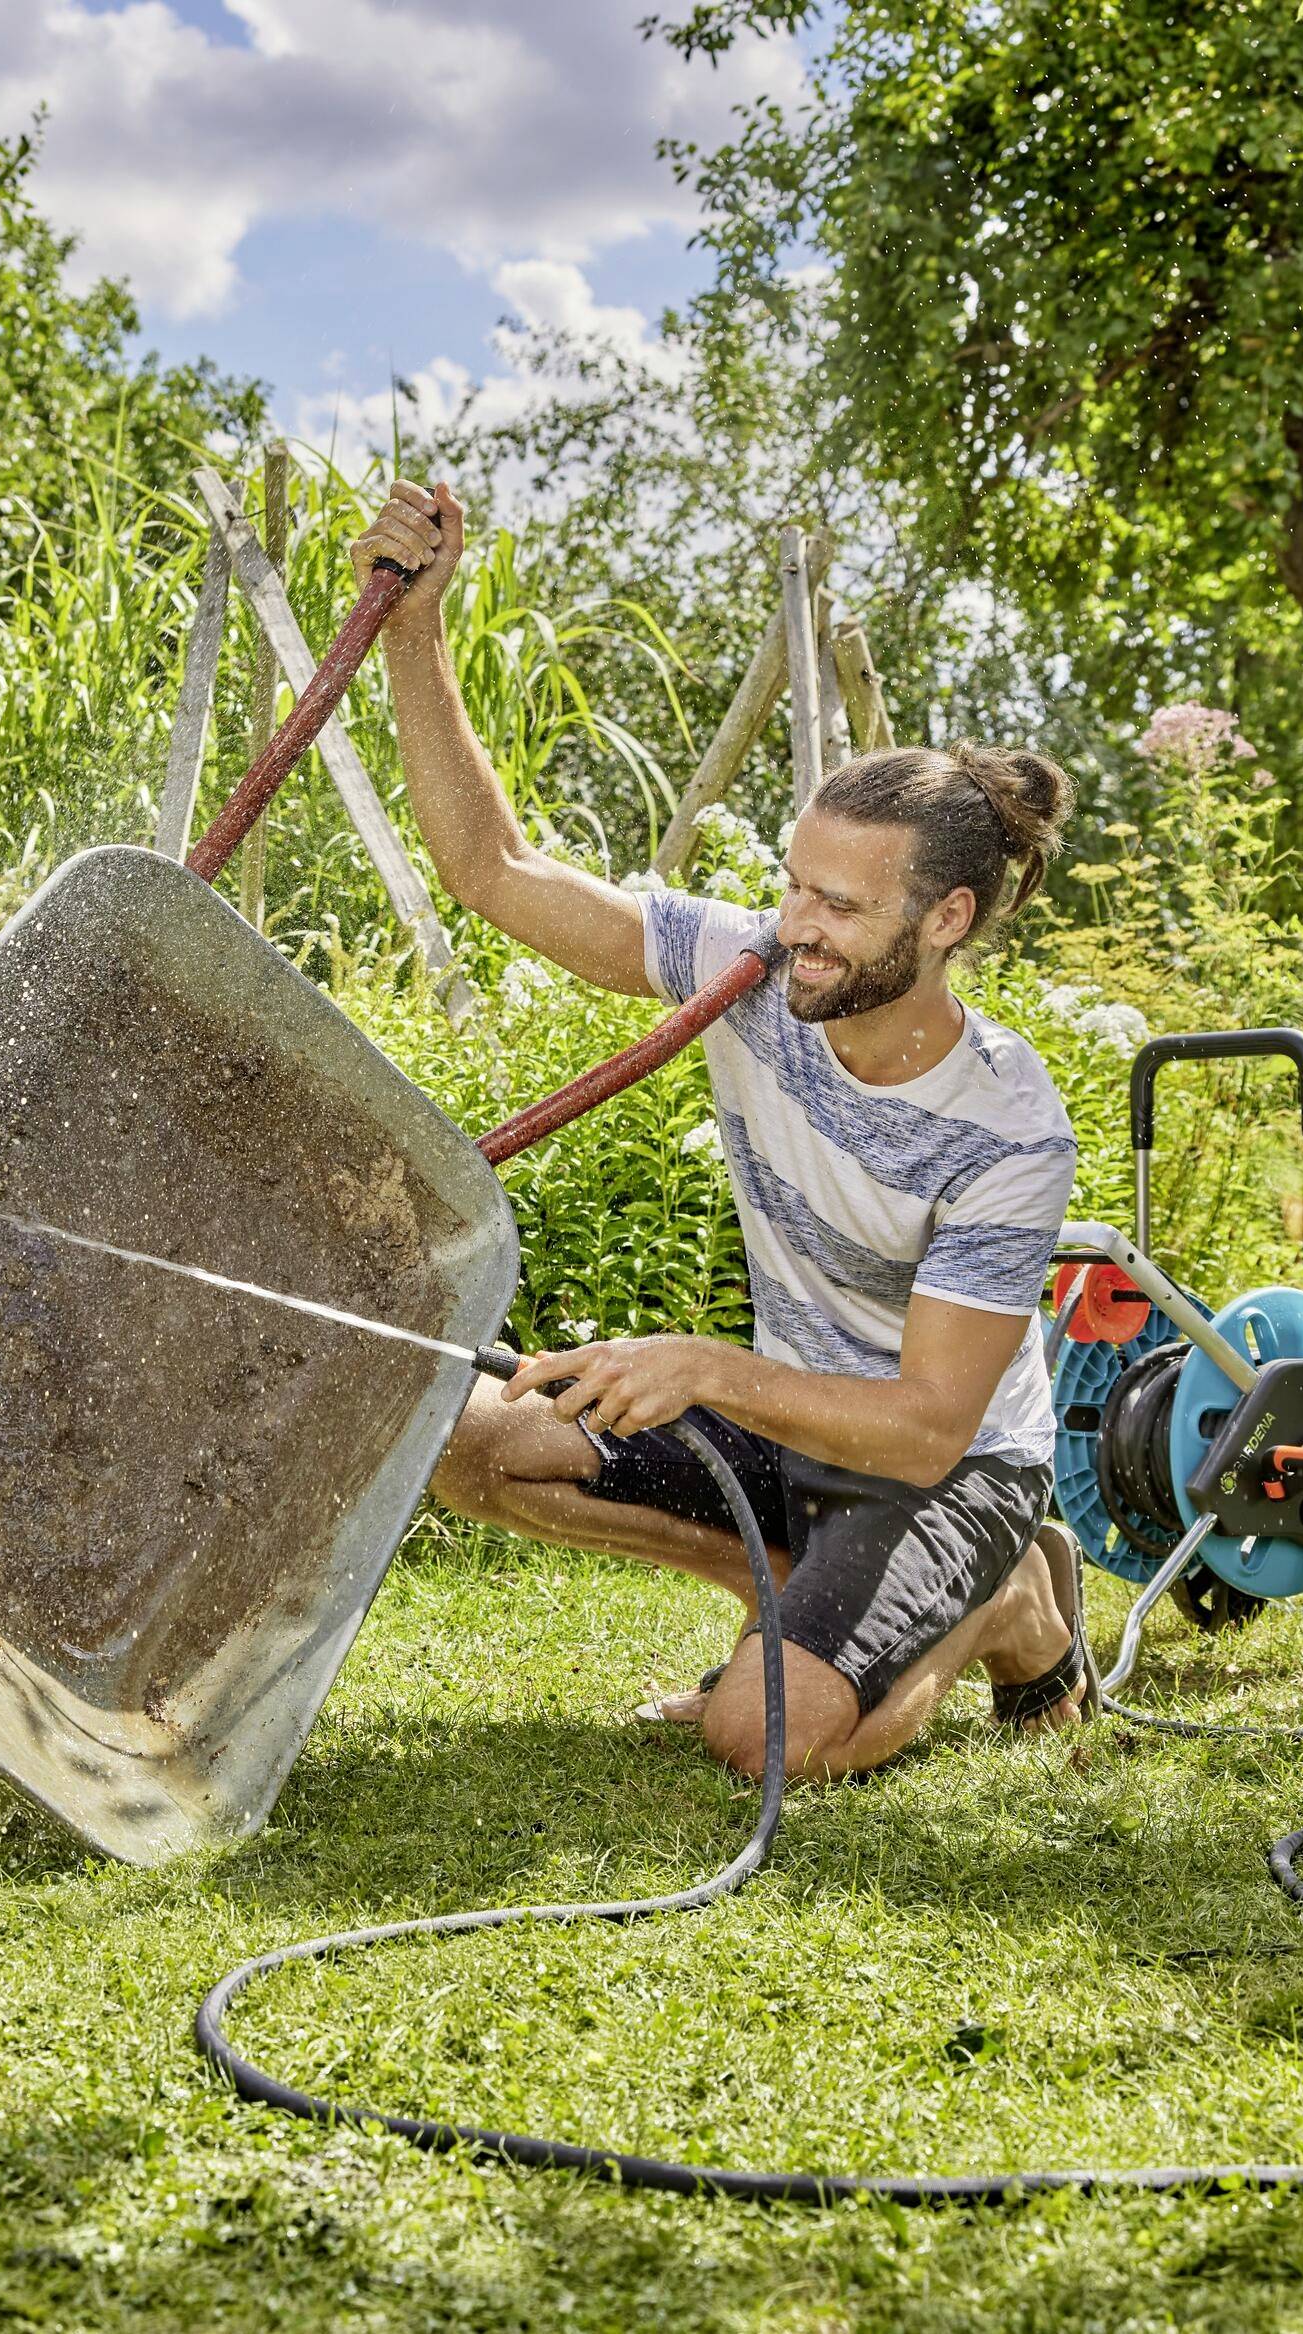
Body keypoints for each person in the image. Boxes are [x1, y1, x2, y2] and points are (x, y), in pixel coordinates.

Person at [355, 480, 1091, 1782]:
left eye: (840, 908)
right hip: (793, 1439)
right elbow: (496, 872)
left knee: (759, 1735)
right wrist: (418, 636)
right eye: (794, 884)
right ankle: (815, 1595)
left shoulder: (1005, 1125)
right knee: (468, 1438)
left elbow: (926, 1424)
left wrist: (704, 1365)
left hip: (943, 1474)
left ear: (948, 923)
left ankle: (1006, 1605)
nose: (793, 927)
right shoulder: (749, 967)